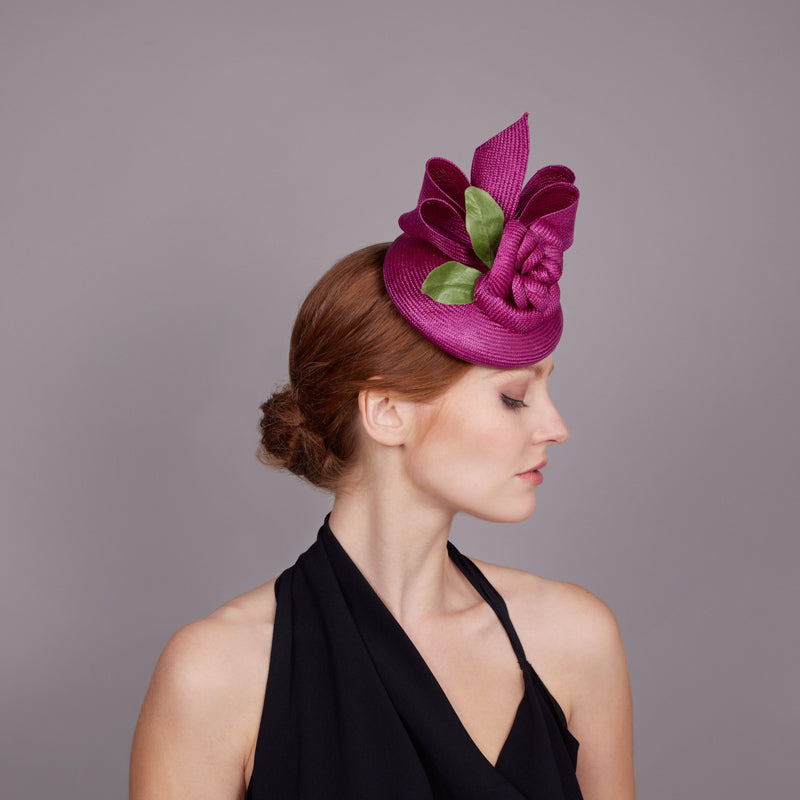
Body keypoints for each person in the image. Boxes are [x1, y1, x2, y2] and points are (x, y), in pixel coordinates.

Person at [130, 114, 635, 799]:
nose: (556, 426)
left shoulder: (575, 640)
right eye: (515, 397)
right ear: (387, 411)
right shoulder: (217, 673)